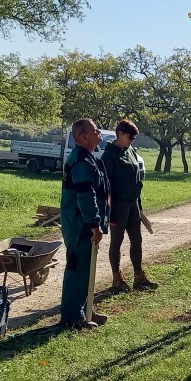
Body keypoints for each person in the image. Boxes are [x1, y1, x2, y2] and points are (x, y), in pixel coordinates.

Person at [60, 118, 110, 329]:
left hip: (84, 223)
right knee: (78, 268)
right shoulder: (81, 160)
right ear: (82, 136)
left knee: (86, 268)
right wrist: (94, 223)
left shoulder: (88, 158)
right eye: (96, 130)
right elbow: (85, 195)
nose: (100, 134)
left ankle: (85, 310)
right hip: (80, 224)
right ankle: (72, 317)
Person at [102, 119, 158, 293]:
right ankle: (116, 278)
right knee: (117, 241)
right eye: (130, 136)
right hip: (118, 206)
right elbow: (106, 185)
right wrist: (109, 212)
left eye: (134, 137)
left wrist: (139, 206)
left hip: (133, 203)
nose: (132, 140)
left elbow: (136, 180)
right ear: (120, 133)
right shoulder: (109, 155)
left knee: (137, 240)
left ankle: (139, 276)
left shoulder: (131, 151)